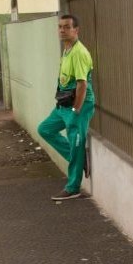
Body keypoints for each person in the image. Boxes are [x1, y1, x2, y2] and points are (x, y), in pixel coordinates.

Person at [37, 14, 95, 201]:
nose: (62, 30)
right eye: (60, 27)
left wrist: (76, 110)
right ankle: (77, 159)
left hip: (78, 105)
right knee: (45, 129)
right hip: (64, 104)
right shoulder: (67, 49)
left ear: (76, 30)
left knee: (76, 141)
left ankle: (73, 187)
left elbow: (82, 84)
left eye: (67, 27)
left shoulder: (79, 52)